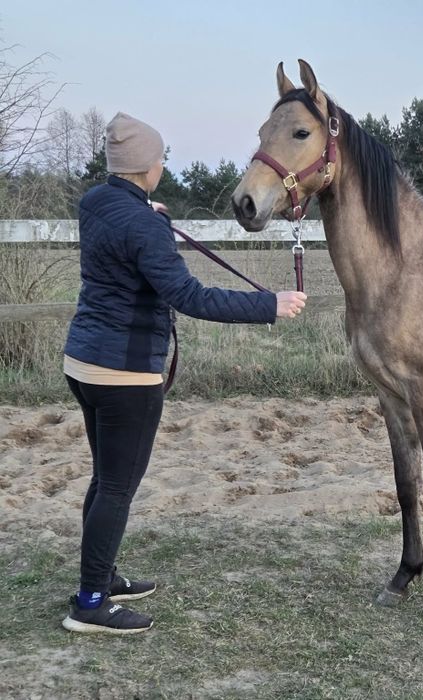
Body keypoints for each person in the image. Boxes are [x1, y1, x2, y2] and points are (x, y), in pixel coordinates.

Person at [61, 112, 306, 634]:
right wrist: (270, 305)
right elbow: (190, 297)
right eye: (161, 158)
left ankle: (101, 576)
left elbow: (121, 223)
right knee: (116, 488)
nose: (163, 165)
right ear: (147, 166)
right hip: (124, 375)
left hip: (82, 363)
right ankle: (89, 603)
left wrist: (145, 212)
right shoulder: (143, 225)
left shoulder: (97, 203)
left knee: (106, 479)